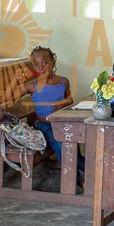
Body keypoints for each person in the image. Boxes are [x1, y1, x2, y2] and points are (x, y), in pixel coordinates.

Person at [10, 46, 84, 186]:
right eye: (36, 64)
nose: (41, 67)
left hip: (63, 124)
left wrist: (63, 102)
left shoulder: (63, 81)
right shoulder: (32, 85)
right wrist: (16, 79)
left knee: (75, 153)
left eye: (44, 62)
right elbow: (11, 95)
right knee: (63, 148)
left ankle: (99, 173)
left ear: (53, 62)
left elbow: (70, 99)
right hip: (46, 127)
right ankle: (79, 181)